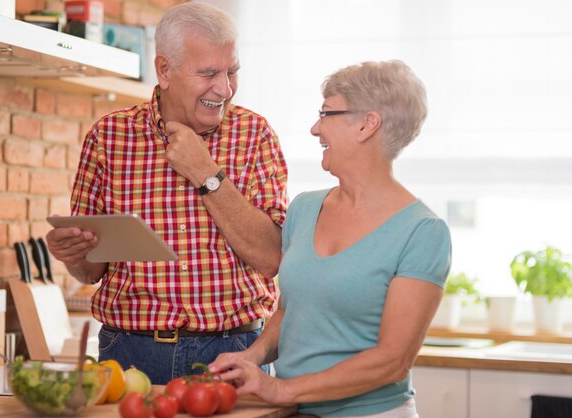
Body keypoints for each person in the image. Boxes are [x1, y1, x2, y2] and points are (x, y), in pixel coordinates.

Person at [45, 2, 288, 384]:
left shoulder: (255, 135)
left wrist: (206, 172)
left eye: (232, 71)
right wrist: (72, 255)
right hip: (128, 354)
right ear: (164, 70)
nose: (224, 88)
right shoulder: (109, 137)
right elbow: (90, 271)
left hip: (234, 351)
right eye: (208, 73)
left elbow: (272, 257)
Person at [209, 60, 452, 417]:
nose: (314, 128)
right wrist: (252, 356)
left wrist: (281, 388)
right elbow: (290, 312)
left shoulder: (422, 232)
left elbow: (391, 361)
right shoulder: (305, 209)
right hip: (293, 412)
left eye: (326, 113)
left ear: (367, 124)